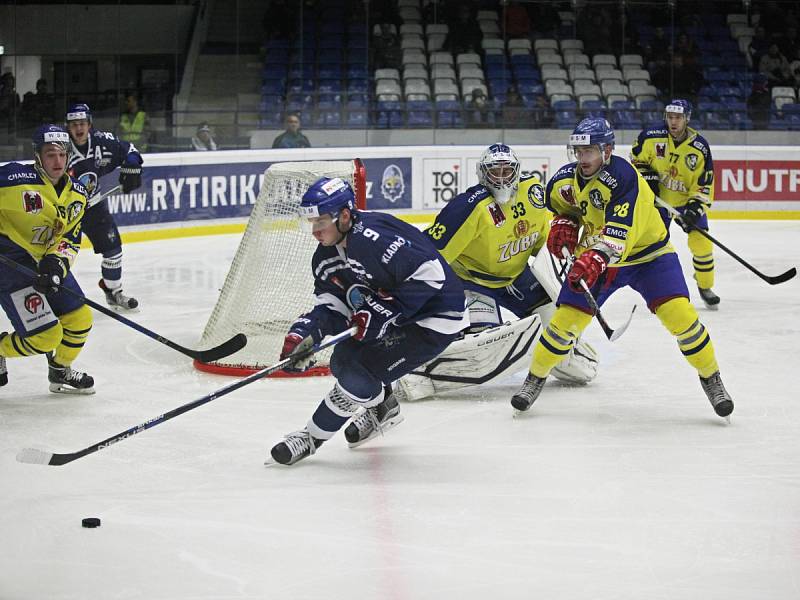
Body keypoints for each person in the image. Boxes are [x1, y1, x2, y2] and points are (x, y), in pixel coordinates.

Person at [510, 117, 734, 421]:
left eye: (590, 151)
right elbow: (563, 207)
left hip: (648, 257)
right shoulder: (564, 180)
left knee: (684, 320)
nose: (583, 158)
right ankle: (534, 379)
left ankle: (712, 378)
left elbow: (619, 235)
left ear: (608, 150)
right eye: (579, 152)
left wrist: (592, 257)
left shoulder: (623, 176)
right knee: (563, 325)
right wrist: (564, 221)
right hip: (600, 258)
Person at [267, 177, 469, 466]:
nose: (315, 231)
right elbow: (333, 305)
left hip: (434, 319)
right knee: (342, 361)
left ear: (345, 215)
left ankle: (310, 438)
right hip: (396, 318)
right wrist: (306, 334)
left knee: (358, 377)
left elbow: (431, 273)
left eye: (321, 221)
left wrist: (386, 311)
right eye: (311, 223)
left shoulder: (374, 239)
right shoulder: (325, 257)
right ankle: (383, 408)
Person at [392, 143, 598, 402]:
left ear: (517, 171)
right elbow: (431, 255)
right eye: (494, 172)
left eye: (506, 171)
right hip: (474, 282)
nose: (501, 178)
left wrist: (565, 266)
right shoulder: (468, 207)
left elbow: (541, 245)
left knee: (570, 352)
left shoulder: (533, 192)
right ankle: (419, 368)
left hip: (518, 278)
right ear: (482, 174)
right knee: (485, 346)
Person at [0, 125, 94, 394]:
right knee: (45, 337)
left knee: (81, 320)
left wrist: (56, 265)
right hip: (10, 263)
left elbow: (70, 238)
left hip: (45, 262)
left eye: (62, 154)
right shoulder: (13, 179)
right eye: (50, 154)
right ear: (38, 156)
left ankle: (60, 370)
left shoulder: (77, 193)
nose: (57, 161)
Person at [630, 99, 720, 308]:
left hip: (685, 201)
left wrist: (694, 209)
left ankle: (705, 286)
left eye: (678, 117)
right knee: (656, 247)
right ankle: (657, 288)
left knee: (702, 245)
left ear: (687, 119)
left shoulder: (699, 147)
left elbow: (704, 183)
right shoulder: (650, 137)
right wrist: (647, 179)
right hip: (658, 202)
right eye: (670, 117)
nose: (673, 121)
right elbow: (635, 160)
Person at [65, 103, 143, 310]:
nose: (78, 128)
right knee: (58, 256)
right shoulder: (59, 148)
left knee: (113, 251)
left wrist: (132, 165)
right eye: (73, 124)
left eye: (82, 123)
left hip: (93, 208)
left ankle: (113, 290)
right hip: (63, 212)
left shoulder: (102, 141)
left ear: (89, 124)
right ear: (68, 127)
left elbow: (130, 149)